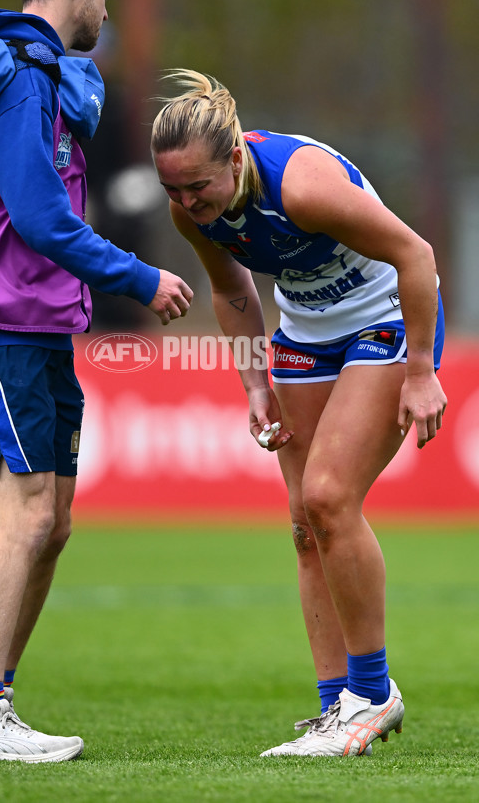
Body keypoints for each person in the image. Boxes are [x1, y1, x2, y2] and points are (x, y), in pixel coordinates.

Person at [0, 0, 193, 763]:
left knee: (54, 519)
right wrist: (138, 278)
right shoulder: (21, 77)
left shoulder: (39, 71)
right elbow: (39, 216)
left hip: (32, 320)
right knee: (26, 515)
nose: (108, 3)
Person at [150, 70, 446, 758]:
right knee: (304, 525)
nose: (188, 203)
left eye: (198, 186)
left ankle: (372, 694)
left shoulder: (301, 187)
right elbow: (231, 288)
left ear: (234, 159)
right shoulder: (189, 210)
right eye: (173, 190)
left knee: (329, 496)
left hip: (383, 318)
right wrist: (254, 384)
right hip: (305, 333)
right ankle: (335, 708)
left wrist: (422, 372)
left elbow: (417, 255)